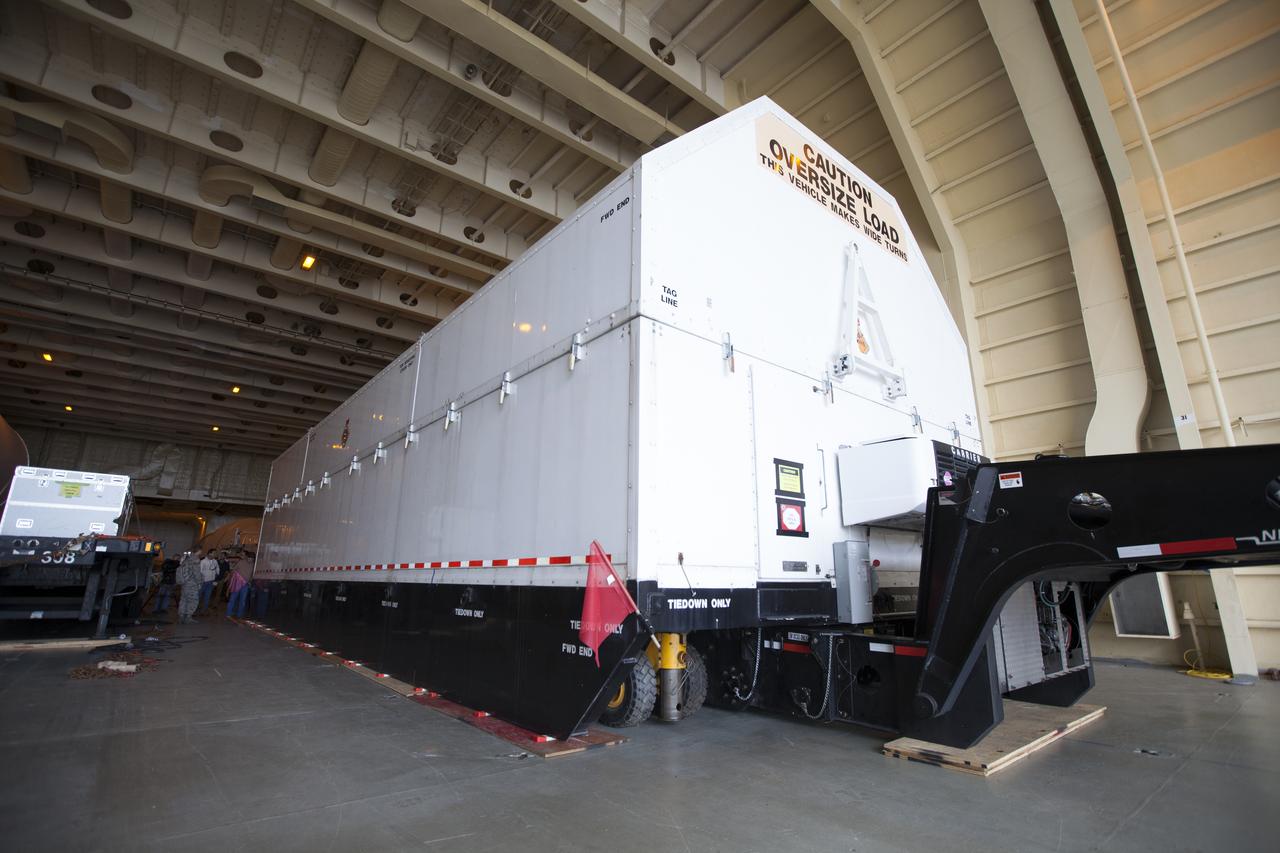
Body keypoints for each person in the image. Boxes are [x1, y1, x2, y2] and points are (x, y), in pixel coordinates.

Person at [176, 551, 202, 624]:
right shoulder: (194, 563)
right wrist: (200, 583)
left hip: (184, 585)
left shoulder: (183, 562)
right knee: (193, 601)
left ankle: (181, 616)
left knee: (183, 600)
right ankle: (188, 617)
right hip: (192, 585)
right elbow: (197, 574)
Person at [226, 551, 253, 619]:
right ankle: (228, 613)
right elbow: (233, 571)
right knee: (233, 598)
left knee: (242, 601)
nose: (250, 560)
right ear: (247, 557)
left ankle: (239, 614)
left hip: (246, 585)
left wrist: (250, 581)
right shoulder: (241, 562)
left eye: (252, 559)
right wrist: (231, 580)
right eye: (249, 558)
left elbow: (252, 575)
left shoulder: (253, 564)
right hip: (237, 583)